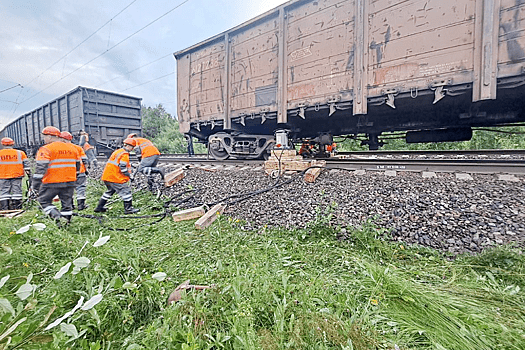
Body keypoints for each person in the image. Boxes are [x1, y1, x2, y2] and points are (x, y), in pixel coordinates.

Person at [32, 126, 80, 225]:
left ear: (49, 136)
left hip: (51, 181)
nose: (44, 139)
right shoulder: (73, 148)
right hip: (70, 181)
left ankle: (57, 216)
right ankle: (66, 224)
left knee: (43, 201)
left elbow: (40, 168)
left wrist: (35, 185)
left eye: (44, 137)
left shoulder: (46, 149)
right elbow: (78, 166)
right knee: (67, 204)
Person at [94, 138, 139, 214]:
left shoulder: (118, 152)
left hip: (107, 176)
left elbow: (117, 163)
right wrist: (129, 175)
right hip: (115, 177)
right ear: (129, 146)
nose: (132, 149)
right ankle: (128, 209)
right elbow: (123, 168)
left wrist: (130, 165)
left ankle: (99, 207)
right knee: (126, 191)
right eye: (132, 147)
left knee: (110, 191)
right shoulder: (124, 154)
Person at [60, 131, 89, 210]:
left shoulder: (59, 149)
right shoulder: (78, 148)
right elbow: (85, 160)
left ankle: (71, 205)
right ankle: (81, 206)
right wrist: (86, 169)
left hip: (66, 174)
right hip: (80, 172)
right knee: (81, 188)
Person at [0, 137, 31, 210]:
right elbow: (26, 165)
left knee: (4, 193)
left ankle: (4, 209)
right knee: (17, 192)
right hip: (16, 175)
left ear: (2, 144)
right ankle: (17, 208)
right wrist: (28, 173)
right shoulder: (20, 153)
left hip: (2, 176)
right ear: (13, 144)